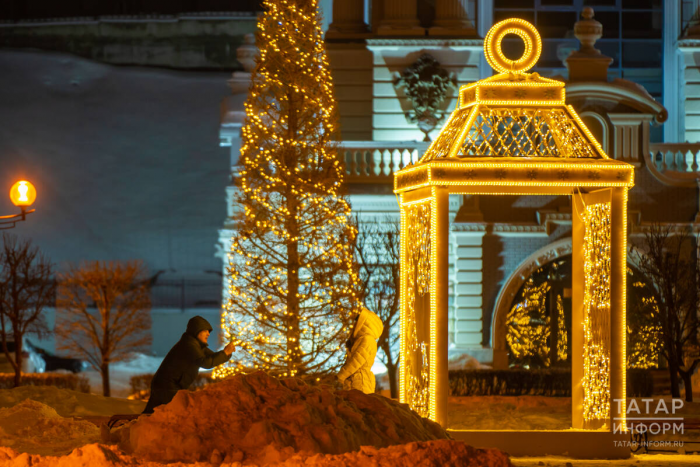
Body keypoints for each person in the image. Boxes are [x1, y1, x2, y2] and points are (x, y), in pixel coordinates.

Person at [143, 315, 235, 414]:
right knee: (179, 415)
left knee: (151, 416)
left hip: (166, 386)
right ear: (196, 330)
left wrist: (226, 353)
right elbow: (205, 362)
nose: (208, 334)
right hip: (167, 387)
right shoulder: (189, 345)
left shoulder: (197, 346)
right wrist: (225, 353)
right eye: (205, 330)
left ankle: (132, 427)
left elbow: (212, 358)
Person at [337, 308, 383, 394]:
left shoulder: (367, 340)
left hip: (360, 382)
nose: (355, 324)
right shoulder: (361, 340)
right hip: (355, 380)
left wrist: (341, 375)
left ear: (364, 323)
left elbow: (356, 361)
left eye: (358, 321)